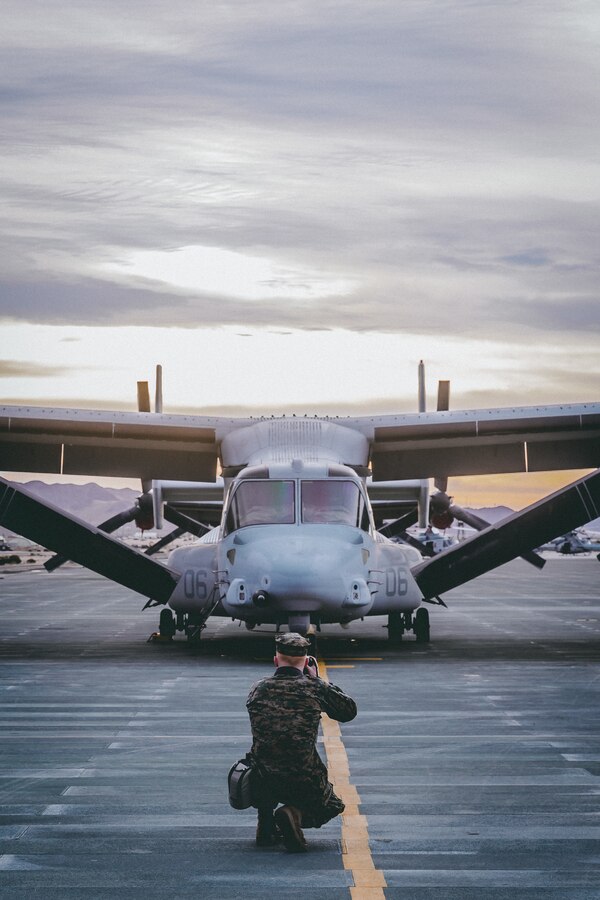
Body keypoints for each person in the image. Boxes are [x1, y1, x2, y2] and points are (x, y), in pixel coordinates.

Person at [246, 631, 357, 852]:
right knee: (334, 805)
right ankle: (293, 813)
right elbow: (348, 711)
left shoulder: (258, 688)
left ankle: (266, 827)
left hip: (261, 778)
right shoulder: (314, 687)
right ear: (307, 661)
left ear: (276, 659)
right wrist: (317, 679)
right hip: (303, 776)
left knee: (265, 758)